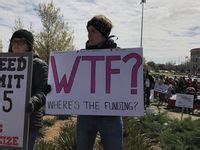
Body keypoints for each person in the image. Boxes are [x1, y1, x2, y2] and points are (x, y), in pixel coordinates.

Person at [76, 15, 123, 150]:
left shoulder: (119, 56)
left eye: (93, 31)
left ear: (103, 34)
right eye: (88, 31)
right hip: (86, 113)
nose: (89, 35)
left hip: (110, 115)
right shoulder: (80, 56)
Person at [8, 29, 50, 150]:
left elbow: (43, 92)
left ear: (29, 46)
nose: (16, 44)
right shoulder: (5, 63)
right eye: (14, 41)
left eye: (21, 42)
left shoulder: (38, 65)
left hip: (29, 121)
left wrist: (32, 102)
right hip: (7, 120)